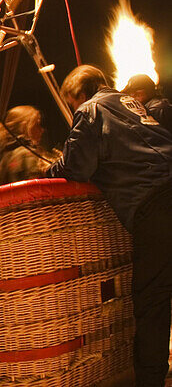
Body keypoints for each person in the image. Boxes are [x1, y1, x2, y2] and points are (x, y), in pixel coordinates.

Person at [46, 64, 172, 387]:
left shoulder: (91, 110)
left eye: (70, 103)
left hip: (155, 205)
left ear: (80, 94)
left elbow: (77, 167)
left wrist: (48, 170)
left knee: (152, 301)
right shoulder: (131, 103)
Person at [0, 105, 54, 184]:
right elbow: (38, 187)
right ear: (25, 127)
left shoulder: (4, 154)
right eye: (37, 124)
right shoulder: (27, 154)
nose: (42, 130)